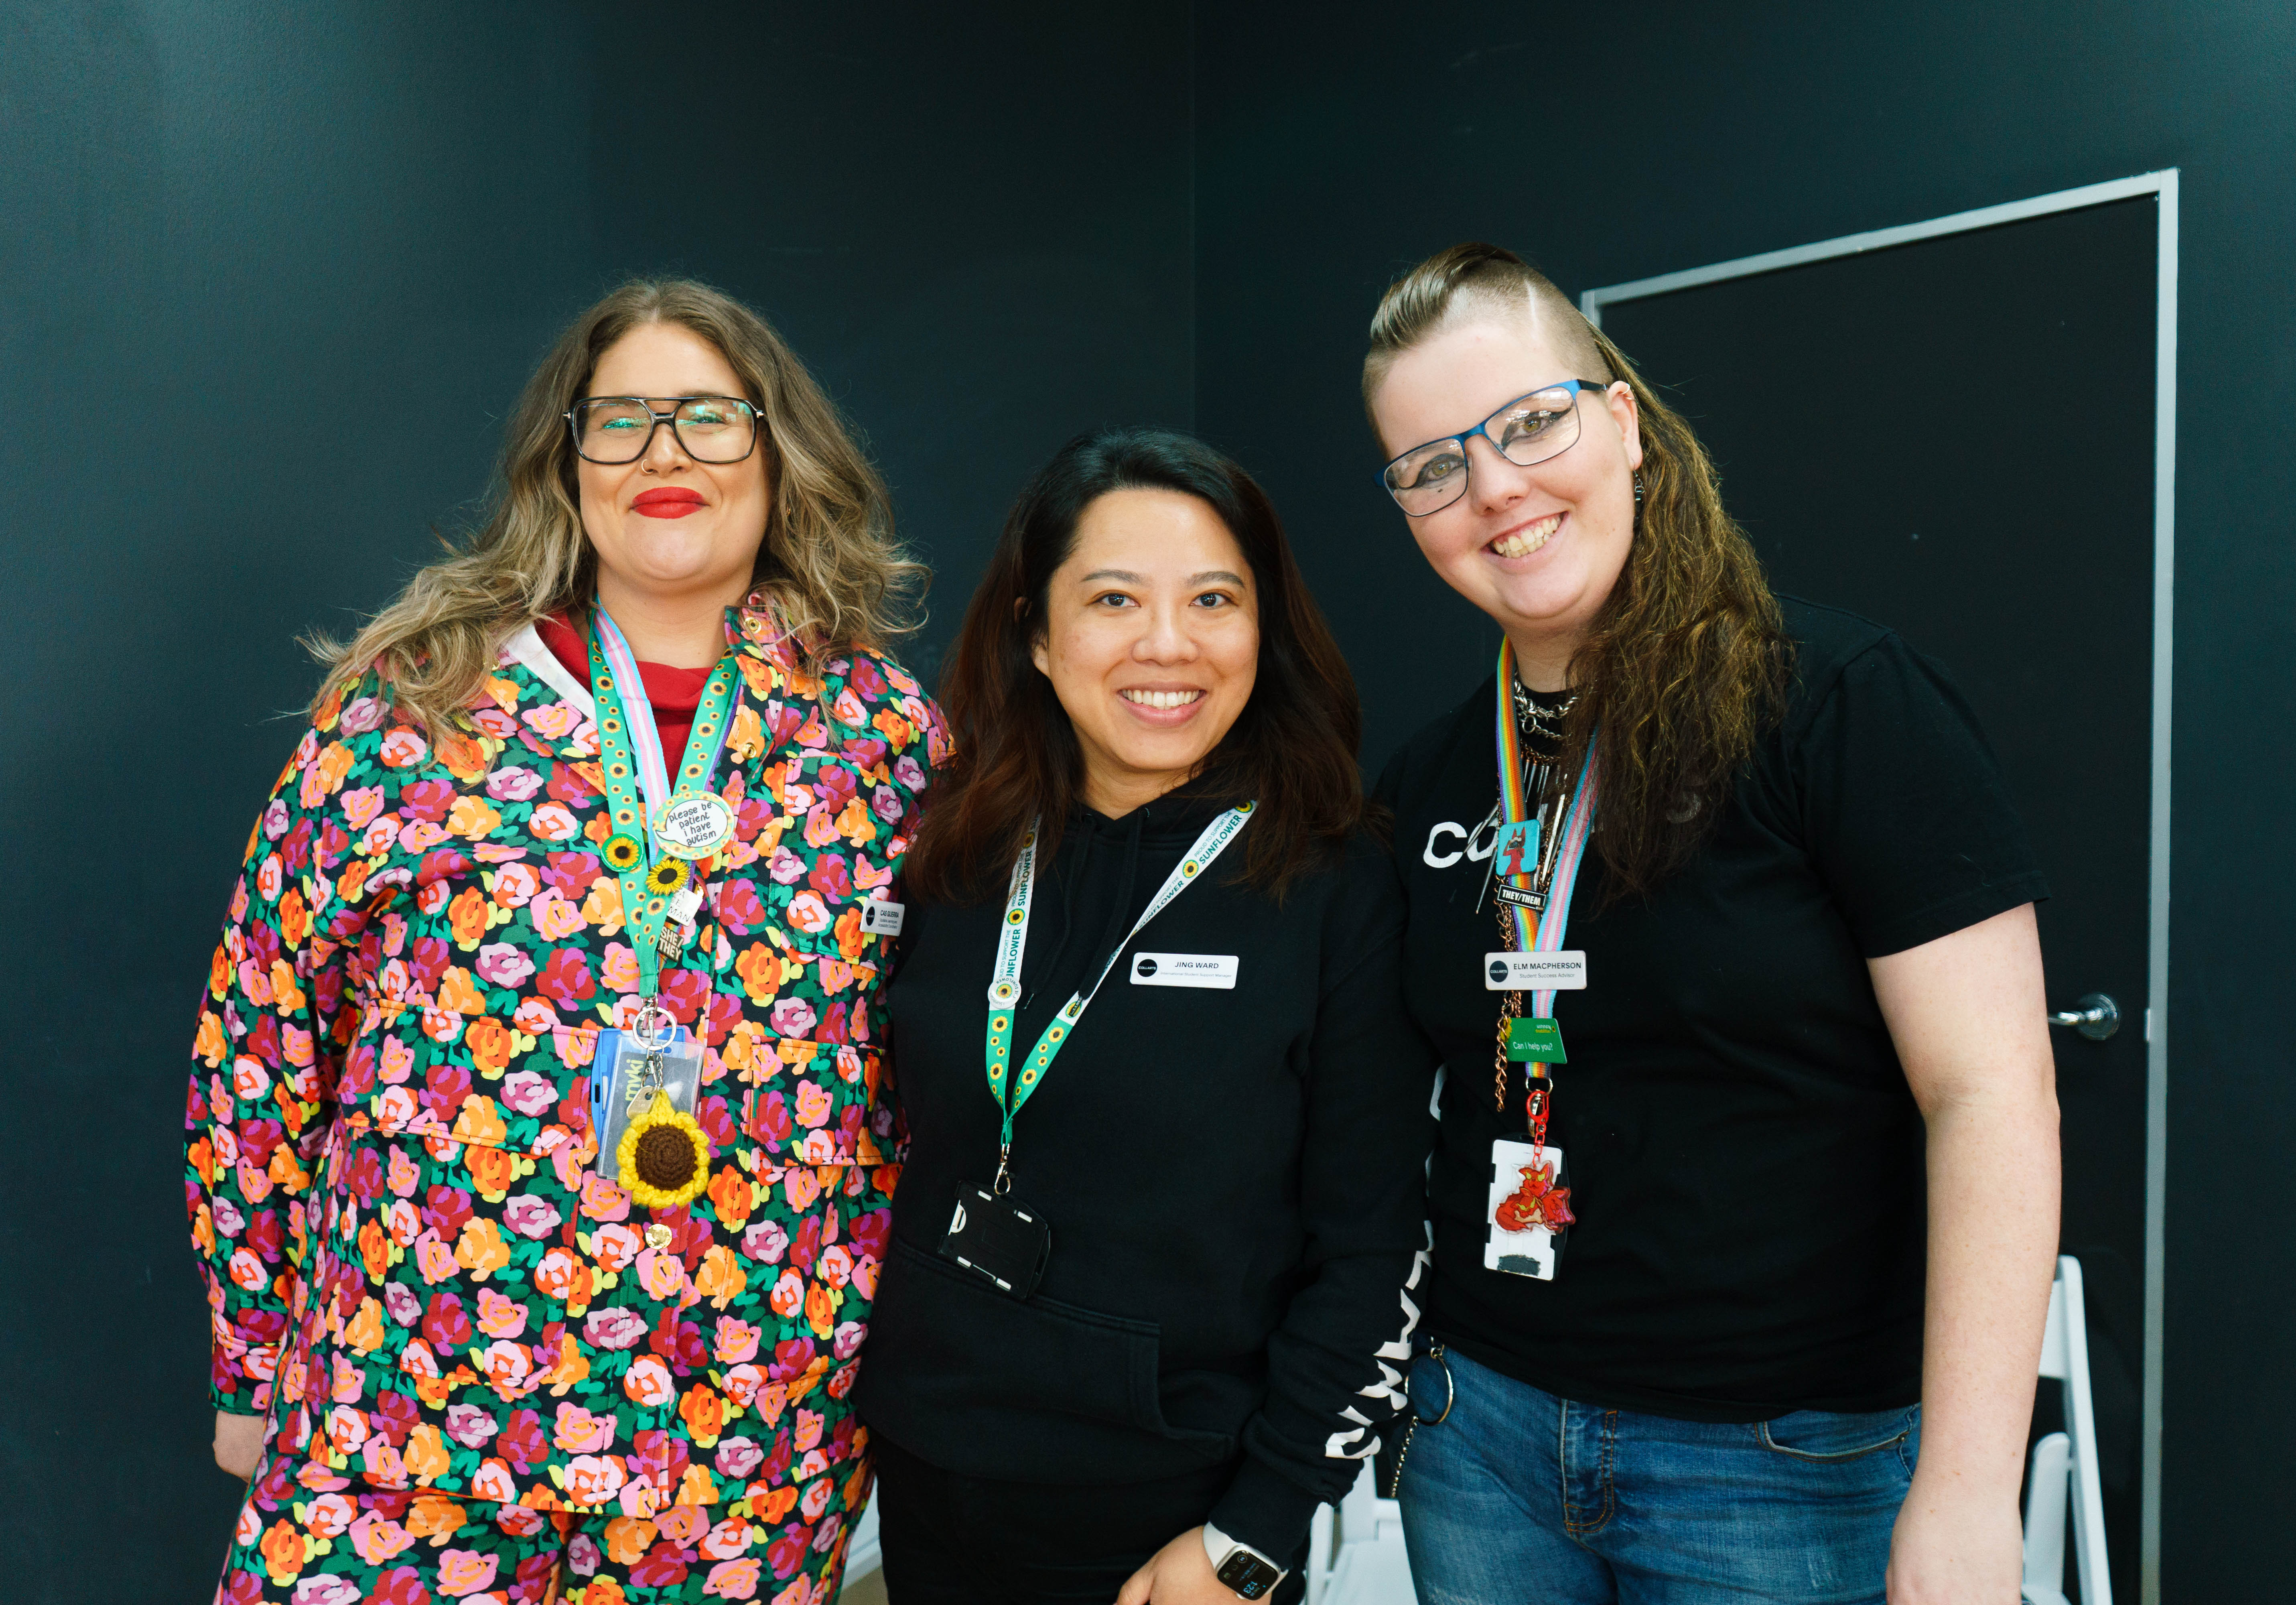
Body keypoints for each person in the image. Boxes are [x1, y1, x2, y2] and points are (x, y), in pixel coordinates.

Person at [187, 277, 946, 1605]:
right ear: (564, 458)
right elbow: (260, 1044)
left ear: (779, 454)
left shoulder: (884, 739)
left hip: (749, 1447)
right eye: (623, 421)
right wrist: (255, 1361)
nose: (664, 453)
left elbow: (934, 1072)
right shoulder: (414, 706)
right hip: (403, 1426)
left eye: (711, 417)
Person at [1362, 244, 2061, 1605]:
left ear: (1622, 422)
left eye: (1529, 421)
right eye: (1433, 465)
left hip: (1781, 1463)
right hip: (1484, 1437)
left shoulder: (1840, 704)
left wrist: (1972, 1495)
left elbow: (1993, 1093)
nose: (1494, 486)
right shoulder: (1432, 781)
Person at [851, 430, 1434, 1605]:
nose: (1168, 645)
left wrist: (1259, 1529)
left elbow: (1376, 1250)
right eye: (1113, 599)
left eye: (1214, 599)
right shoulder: (950, 853)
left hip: (1174, 1522)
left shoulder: (1333, 883)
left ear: (1263, 628)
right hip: (926, 1481)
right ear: (1035, 629)